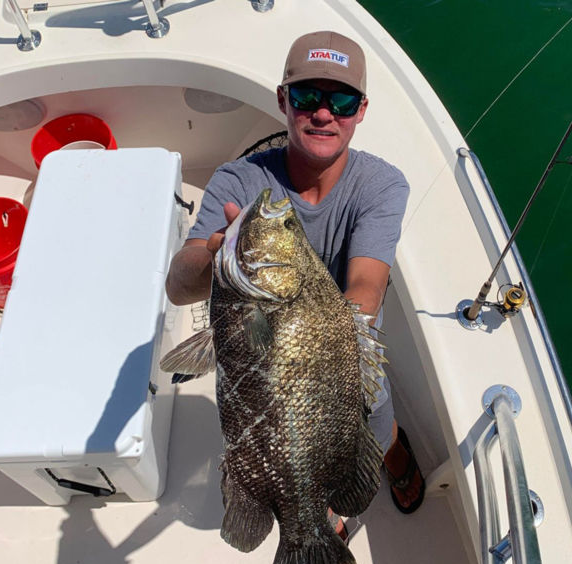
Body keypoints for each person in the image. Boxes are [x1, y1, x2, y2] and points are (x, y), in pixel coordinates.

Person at [165, 31, 425, 526]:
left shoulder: (381, 184)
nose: (324, 113)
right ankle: (318, 512)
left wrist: (318, 345)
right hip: (257, 363)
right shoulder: (237, 180)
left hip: (348, 353)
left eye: (342, 100)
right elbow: (179, 285)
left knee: (378, 423)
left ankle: (397, 461)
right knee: (277, 448)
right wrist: (218, 255)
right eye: (308, 96)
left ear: (361, 110)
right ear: (284, 99)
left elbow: (367, 287)